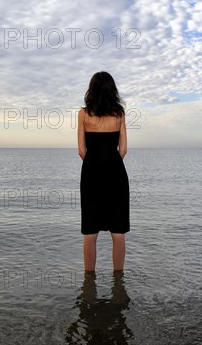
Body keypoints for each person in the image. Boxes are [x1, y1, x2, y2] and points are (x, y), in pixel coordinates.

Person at [78, 71, 130, 273]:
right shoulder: (119, 114)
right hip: (116, 173)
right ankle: (119, 279)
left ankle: (88, 280)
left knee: (90, 231)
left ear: (91, 90)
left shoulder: (83, 114)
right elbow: (123, 149)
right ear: (112, 90)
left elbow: (82, 150)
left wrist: (95, 164)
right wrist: (111, 165)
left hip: (91, 173)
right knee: (118, 231)